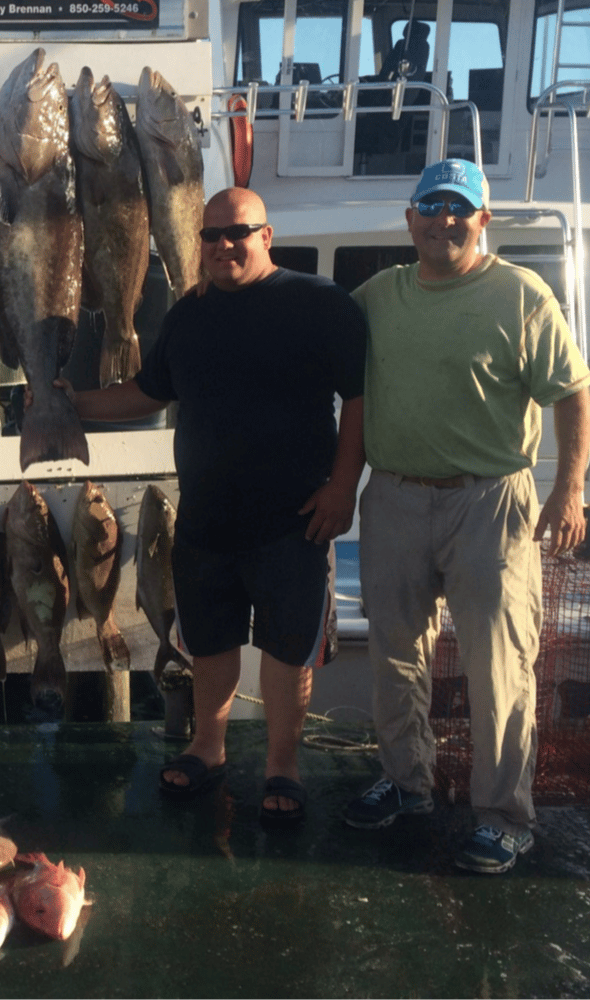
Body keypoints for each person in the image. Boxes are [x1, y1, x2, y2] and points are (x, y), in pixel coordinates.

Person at [58, 187, 367, 823]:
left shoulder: (320, 303)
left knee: (286, 650)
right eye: (211, 236)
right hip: (205, 518)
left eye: (239, 232)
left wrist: (343, 488)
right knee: (211, 641)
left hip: (294, 520)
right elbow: (148, 392)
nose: (224, 245)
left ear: (267, 235)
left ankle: (283, 763)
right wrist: (71, 403)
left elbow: (361, 400)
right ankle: (208, 746)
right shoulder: (188, 313)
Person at [343, 159, 590, 873]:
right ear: (410, 218)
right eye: (431, 206)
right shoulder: (379, 295)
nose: (443, 220)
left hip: (491, 500)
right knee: (395, 652)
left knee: (499, 666)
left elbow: (573, 394)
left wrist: (568, 491)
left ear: (483, 220)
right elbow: (310, 332)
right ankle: (406, 781)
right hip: (391, 495)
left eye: (459, 208)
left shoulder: (521, 294)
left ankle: (504, 816)